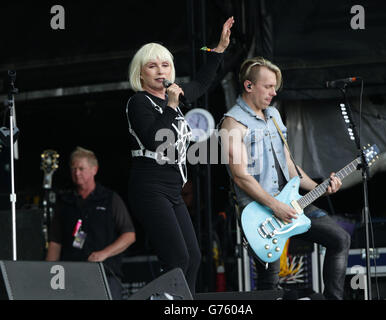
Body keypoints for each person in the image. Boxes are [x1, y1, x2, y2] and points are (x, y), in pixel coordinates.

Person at [218, 57, 351, 300]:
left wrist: (320, 187)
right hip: (261, 213)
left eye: (275, 86)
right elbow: (240, 176)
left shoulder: (274, 116)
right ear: (249, 86)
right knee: (270, 283)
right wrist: (275, 206)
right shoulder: (232, 124)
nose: (274, 91)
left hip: (293, 203)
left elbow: (289, 166)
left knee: (339, 238)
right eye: (268, 86)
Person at [126, 17, 234, 295]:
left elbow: (201, 83)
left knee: (194, 258)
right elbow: (155, 138)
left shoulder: (172, 98)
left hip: (172, 189)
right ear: (141, 75)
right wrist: (173, 106)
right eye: (152, 66)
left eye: (164, 65)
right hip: (149, 187)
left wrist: (219, 49)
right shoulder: (139, 102)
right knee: (177, 259)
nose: (160, 71)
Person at [46, 147, 136, 300]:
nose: (77, 173)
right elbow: (55, 242)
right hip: (71, 275)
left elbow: (129, 235)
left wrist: (104, 253)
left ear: (94, 169)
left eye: (81, 168)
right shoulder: (65, 202)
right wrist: (47, 275)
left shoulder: (110, 199)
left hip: (105, 275)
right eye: (73, 168)